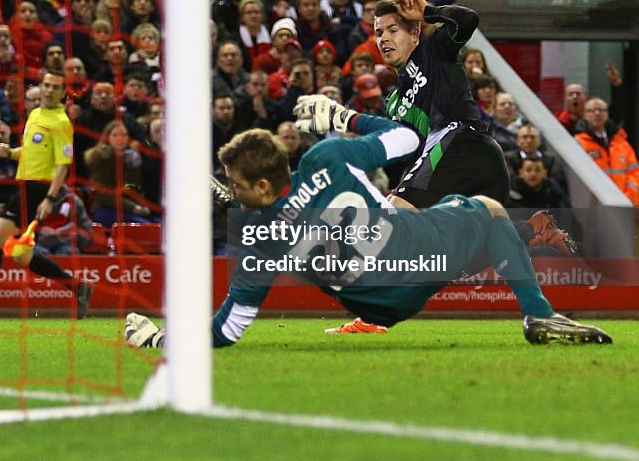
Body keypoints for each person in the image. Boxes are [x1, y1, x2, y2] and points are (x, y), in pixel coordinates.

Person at [125, 97, 612, 348]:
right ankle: (538, 312)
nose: (229, 185)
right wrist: (343, 116)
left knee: (396, 211)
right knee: (488, 209)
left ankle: (367, 310)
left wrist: (161, 338)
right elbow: (407, 136)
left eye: (234, 182)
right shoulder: (327, 157)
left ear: (260, 188)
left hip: (374, 307)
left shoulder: (258, 241)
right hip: (421, 258)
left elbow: (228, 330)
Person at [0, 70, 93, 318]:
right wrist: (10, 153)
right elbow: (33, 150)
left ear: (63, 92)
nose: (48, 90)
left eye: (55, 87)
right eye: (46, 85)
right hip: (24, 186)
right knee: (21, 255)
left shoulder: (61, 122)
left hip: (38, 189)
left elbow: (62, 165)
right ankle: (78, 287)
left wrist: (50, 198)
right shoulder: (35, 114)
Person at [375, 0, 510, 211]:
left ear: (414, 34)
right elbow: (412, 155)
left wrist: (428, 12)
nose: (384, 39)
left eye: (393, 30)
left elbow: (468, 19)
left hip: (467, 145)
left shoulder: (434, 51)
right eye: (379, 33)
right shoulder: (393, 102)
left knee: (397, 210)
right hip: (453, 171)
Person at [575, 98, 639, 206]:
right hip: (595, 207)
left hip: (626, 205)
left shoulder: (622, 143)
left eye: (601, 110)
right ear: (585, 115)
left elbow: (635, 173)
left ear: (607, 114)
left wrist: (629, 198)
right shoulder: (579, 143)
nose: (597, 113)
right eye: (592, 110)